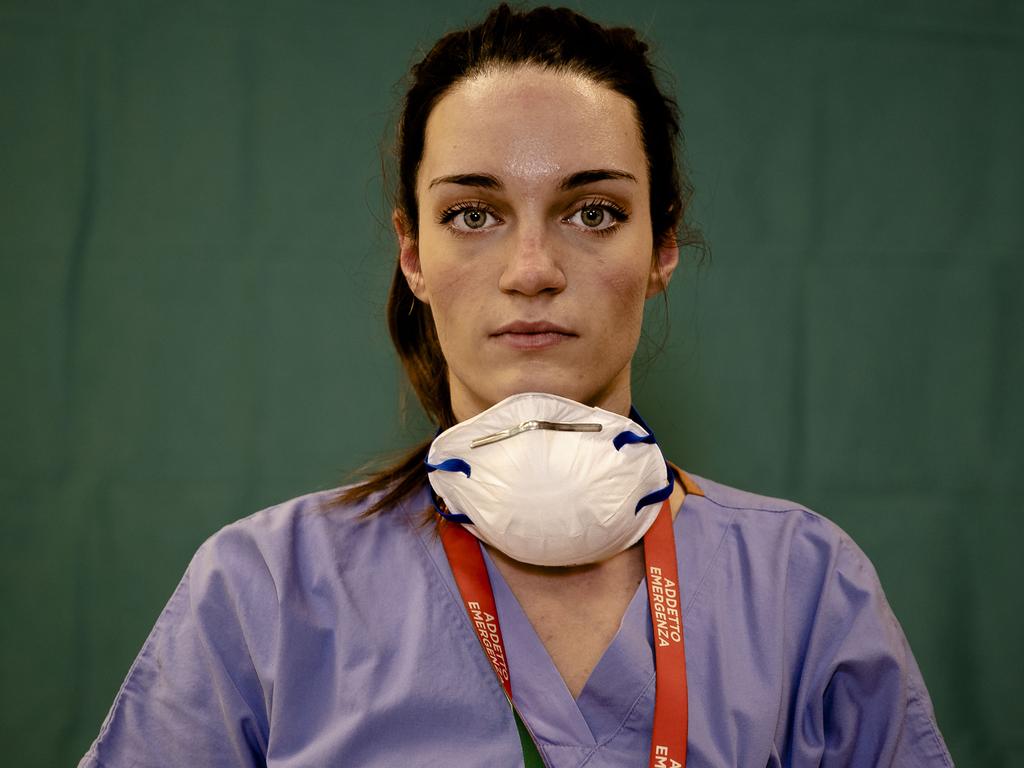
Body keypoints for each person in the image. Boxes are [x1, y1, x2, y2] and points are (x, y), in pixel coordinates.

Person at [79, 5, 954, 767]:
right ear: (413, 254)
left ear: (662, 250)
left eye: (594, 212)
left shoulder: (804, 589)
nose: (532, 269)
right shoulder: (265, 590)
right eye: (472, 214)